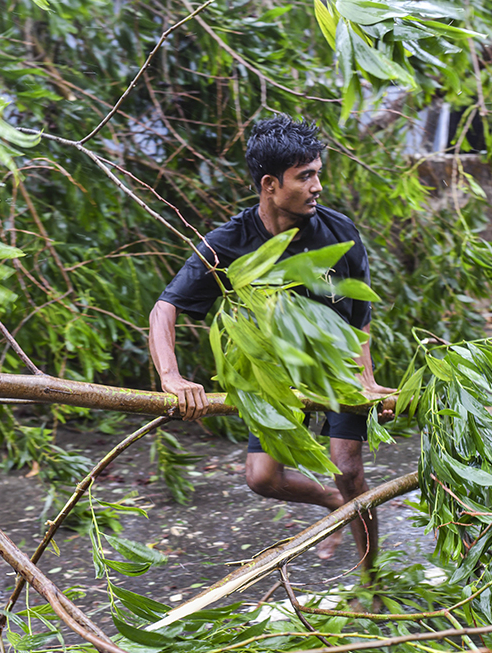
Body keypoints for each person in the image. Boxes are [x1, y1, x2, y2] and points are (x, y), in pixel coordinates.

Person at [147, 115, 394, 586]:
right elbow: (165, 308)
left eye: (318, 172)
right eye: (306, 176)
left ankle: (371, 582)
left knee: (348, 468)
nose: (318, 186)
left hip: (336, 367)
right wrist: (172, 378)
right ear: (269, 184)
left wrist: (365, 378)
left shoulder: (339, 232)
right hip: (274, 375)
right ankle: (334, 504)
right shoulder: (229, 242)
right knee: (261, 478)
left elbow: (359, 316)